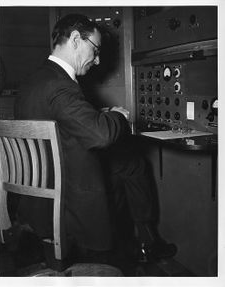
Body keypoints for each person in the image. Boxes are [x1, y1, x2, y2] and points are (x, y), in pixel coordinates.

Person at [15, 13, 176, 268]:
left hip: (39, 188)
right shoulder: (60, 85)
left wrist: (98, 115)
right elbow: (100, 135)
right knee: (132, 162)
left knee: (129, 163)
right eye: (96, 49)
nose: (98, 60)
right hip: (69, 193)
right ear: (77, 40)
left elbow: (59, 117)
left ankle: (143, 238)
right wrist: (119, 117)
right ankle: (141, 239)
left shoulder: (34, 81)